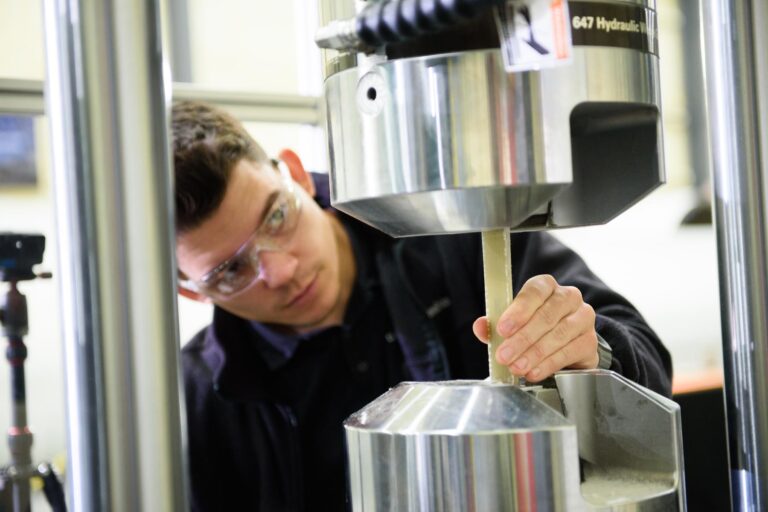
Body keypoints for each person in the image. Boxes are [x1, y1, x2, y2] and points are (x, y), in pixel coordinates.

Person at [172, 100, 672, 511]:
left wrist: (593, 356)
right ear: (192, 292)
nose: (281, 271)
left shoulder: (459, 237)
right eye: (230, 271)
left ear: (298, 175)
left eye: (277, 217)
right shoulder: (197, 407)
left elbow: (650, 373)